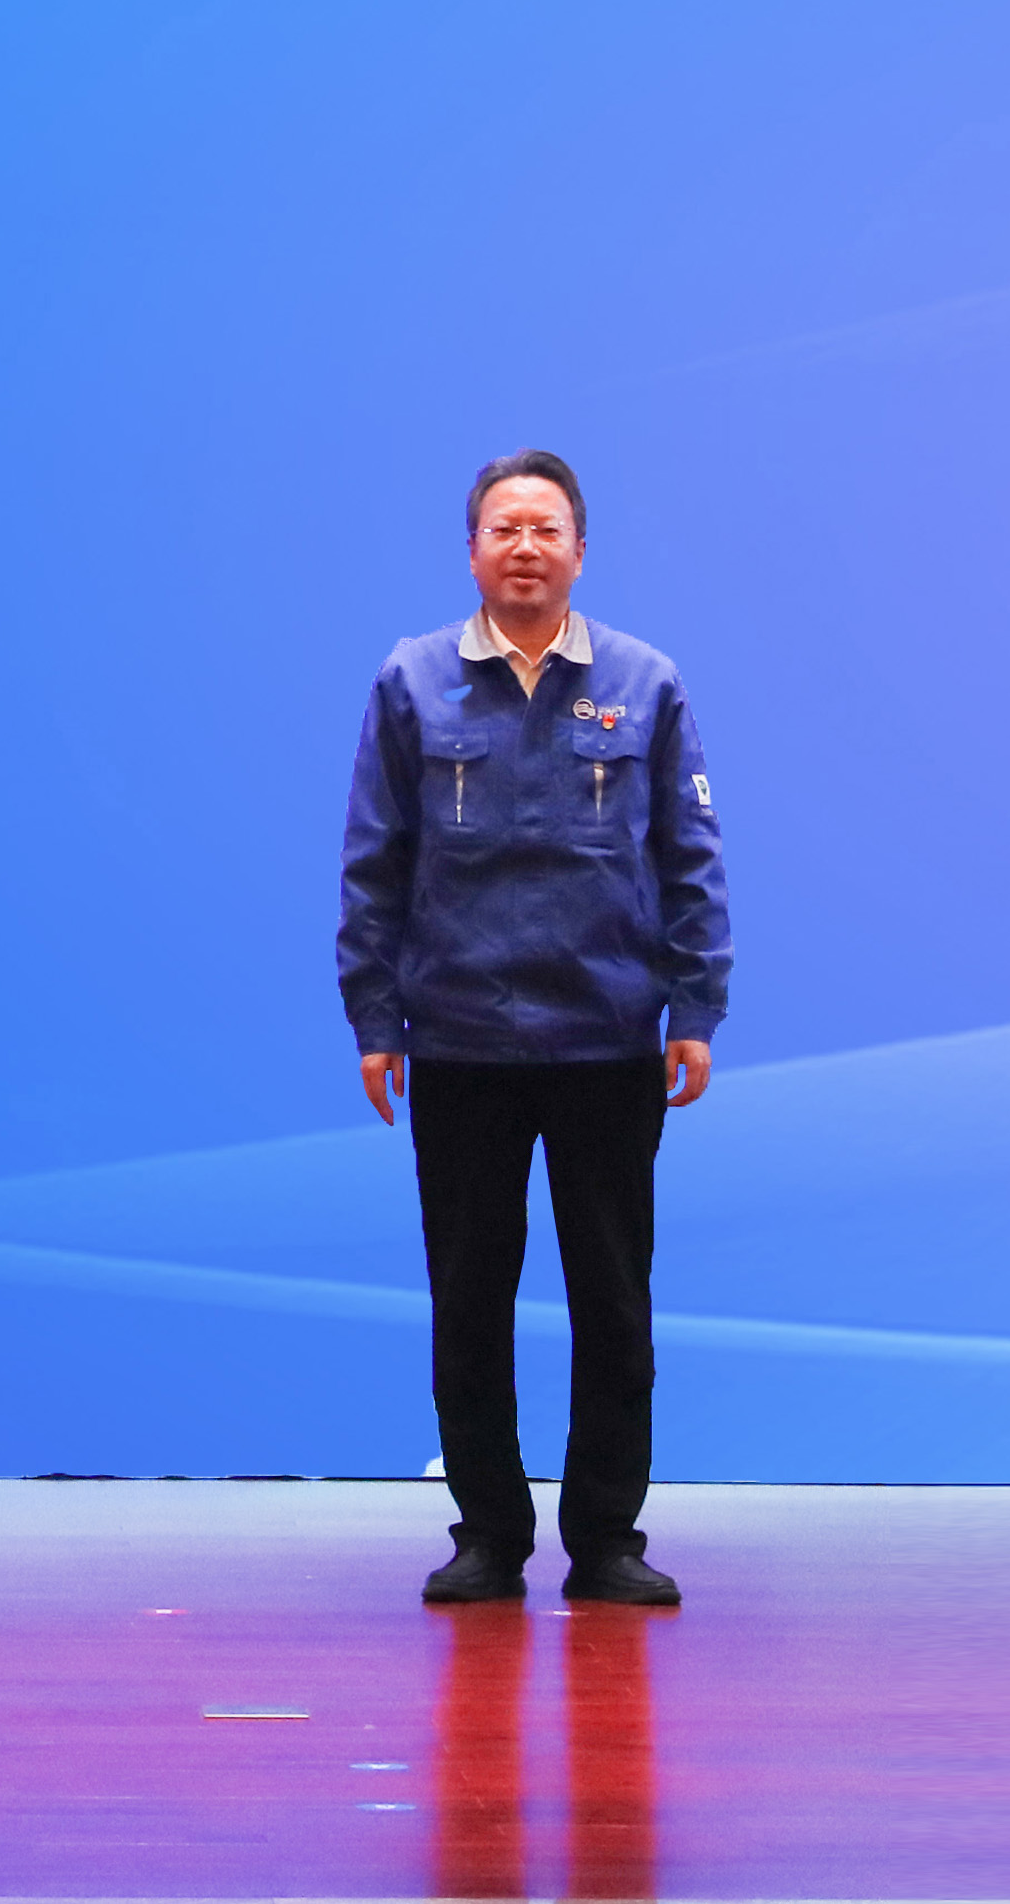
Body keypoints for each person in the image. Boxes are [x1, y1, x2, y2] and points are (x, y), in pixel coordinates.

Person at [339, 446, 726, 1609]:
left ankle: (606, 1538)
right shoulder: (411, 681)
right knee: (469, 1302)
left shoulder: (644, 681)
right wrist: (374, 1017)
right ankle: (489, 1536)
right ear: (471, 551)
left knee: (613, 1301)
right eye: (503, 528)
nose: (524, 547)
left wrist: (695, 1005)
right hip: (460, 1039)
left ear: (579, 551)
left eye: (544, 529)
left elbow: (690, 856)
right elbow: (373, 862)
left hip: (607, 1038)